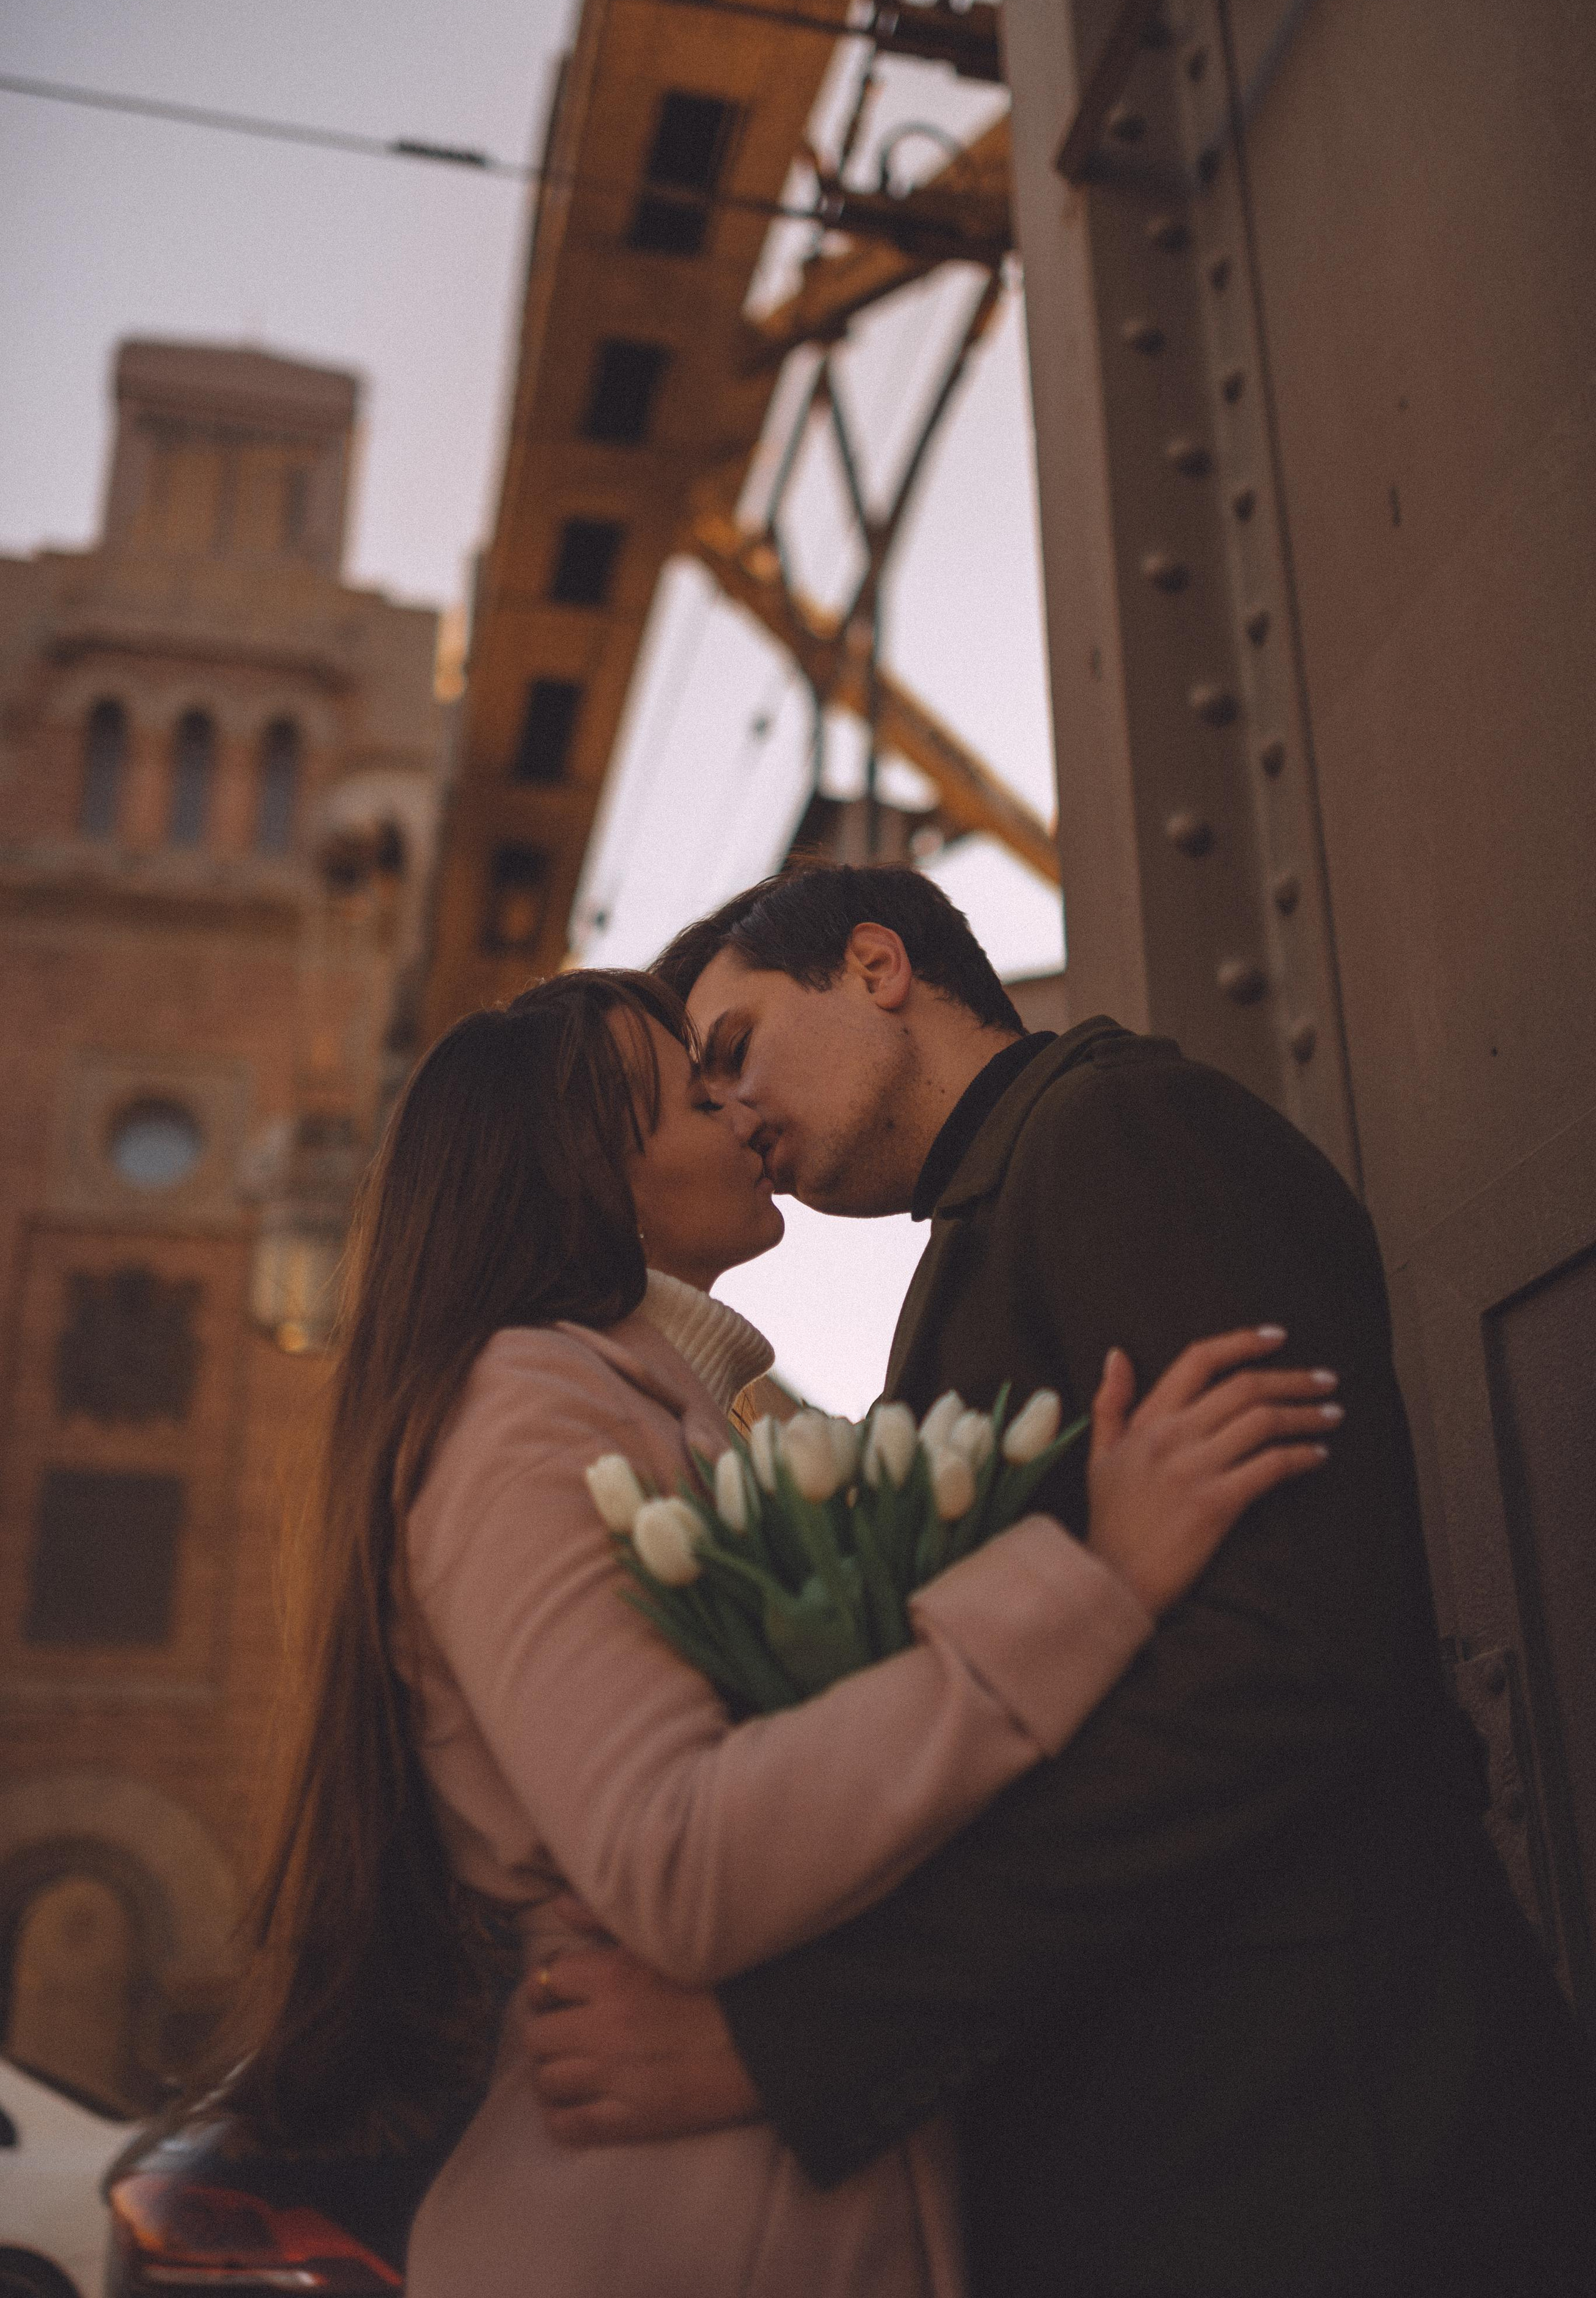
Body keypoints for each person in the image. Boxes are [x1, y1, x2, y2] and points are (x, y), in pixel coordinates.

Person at [523, 865, 1596, 2298]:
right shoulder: (999, 1209)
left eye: (733, 1055)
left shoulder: (1121, 1135)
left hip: (1315, 2137)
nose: (731, 1117)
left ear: (874, 964)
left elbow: (1282, 1660)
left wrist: (814, 2033)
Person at [209, 966, 1334, 2298]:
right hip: (676, 2228)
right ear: (590, 1161)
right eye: (697, 1092)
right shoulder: (525, 1410)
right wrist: (1101, 1582)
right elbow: (672, 1851)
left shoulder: (650, 1408)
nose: (743, 1115)